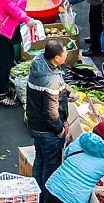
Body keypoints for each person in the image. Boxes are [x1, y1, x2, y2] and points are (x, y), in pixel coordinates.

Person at [25, 38, 70, 191]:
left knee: (40, 160)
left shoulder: (38, 62)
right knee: (51, 166)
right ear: (56, 58)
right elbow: (51, 113)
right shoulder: (52, 80)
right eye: (65, 53)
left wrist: (66, 92)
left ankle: (37, 193)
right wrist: (59, 129)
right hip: (48, 131)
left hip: (35, 124)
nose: (67, 54)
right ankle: (46, 198)